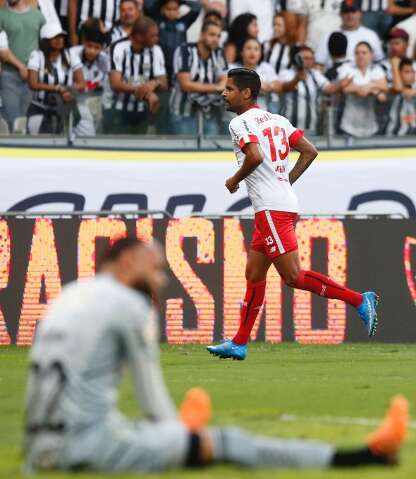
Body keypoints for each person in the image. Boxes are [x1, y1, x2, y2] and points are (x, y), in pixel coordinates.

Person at [23, 235, 410, 473]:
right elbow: (152, 402)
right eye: (154, 270)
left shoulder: (67, 297)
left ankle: (188, 422)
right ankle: (363, 456)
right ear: (127, 263)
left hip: (38, 446)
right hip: (84, 449)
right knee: (228, 443)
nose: (159, 280)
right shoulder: (129, 306)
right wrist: (182, 442)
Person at [207, 68, 379, 361]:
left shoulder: (239, 122)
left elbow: (255, 156)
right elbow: (309, 151)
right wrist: (285, 180)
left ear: (246, 93)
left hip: (272, 210)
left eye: (230, 88)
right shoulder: (278, 120)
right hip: (278, 204)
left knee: (293, 276)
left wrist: (235, 179)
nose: (224, 93)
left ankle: (359, 300)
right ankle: (239, 342)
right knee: (254, 274)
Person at [102, 16, 168, 134]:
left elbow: (164, 84)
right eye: (152, 36)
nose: (157, 39)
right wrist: (146, 92)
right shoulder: (118, 47)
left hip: (142, 111)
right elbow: (115, 84)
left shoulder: (156, 50)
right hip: (116, 110)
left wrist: (154, 83)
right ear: (139, 36)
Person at [27, 23, 86, 135]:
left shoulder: (71, 55)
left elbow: (82, 83)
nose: (59, 40)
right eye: (55, 37)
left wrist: (67, 89)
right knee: (37, 143)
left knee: (65, 138)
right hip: (40, 108)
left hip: (63, 107)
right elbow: (32, 83)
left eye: (61, 36)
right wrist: (56, 88)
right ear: (45, 40)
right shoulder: (37, 55)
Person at [169, 20, 227, 135]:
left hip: (209, 114)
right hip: (183, 113)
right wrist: (216, 88)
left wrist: (219, 85)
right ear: (202, 34)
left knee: (210, 152)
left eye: (218, 36)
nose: (216, 39)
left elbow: (224, 80)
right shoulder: (184, 51)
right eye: (212, 35)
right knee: (185, 152)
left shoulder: (219, 53)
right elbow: (185, 84)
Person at [0, 0, 45, 128]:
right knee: (13, 122)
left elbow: (45, 44)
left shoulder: (38, 16)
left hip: (32, 79)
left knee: (27, 122)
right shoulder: (1, 15)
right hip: (9, 76)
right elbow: (2, 51)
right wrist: (21, 67)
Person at [278, 46, 342, 135]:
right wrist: (296, 79)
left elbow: (329, 89)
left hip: (311, 127)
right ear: (297, 58)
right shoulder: (286, 73)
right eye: (305, 58)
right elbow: (284, 88)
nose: (309, 61)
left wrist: (346, 82)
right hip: (289, 129)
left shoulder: (315, 75)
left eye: (311, 58)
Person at [315, 0, 384, 70]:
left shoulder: (371, 35)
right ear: (340, 14)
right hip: (336, 78)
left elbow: (379, 61)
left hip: (365, 78)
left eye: (353, 12)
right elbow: (319, 63)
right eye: (346, 12)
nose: (350, 15)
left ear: (360, 13)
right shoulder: (329, 35)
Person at [339, 41, 388, 137]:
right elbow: (345, 88)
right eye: (357, 53)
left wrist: (368, 86)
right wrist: (373, 89)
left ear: (371, 55)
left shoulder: (376, 69)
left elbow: (384, 87)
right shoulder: (347, 67)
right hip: (349, 126)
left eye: (364, 53)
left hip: (370, 126)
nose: (360, 56)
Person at [71, 20, 109, 135]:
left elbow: (107, 89)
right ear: (83, 42)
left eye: (97, 47)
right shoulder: (71, 55)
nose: (92, 51)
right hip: (72, 106)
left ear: (102, 48)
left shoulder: (105, 61)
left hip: (95, 106)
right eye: (89, 46)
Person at [151, 0, 201, 81]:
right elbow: (148, 4)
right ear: (162, 9)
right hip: (161, 62)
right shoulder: (157, 20)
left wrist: (182, 1)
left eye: (175, 9)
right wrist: (160, 2)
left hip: (179, 62)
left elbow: (197, 7)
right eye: (168, 9)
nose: (172, 12)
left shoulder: (184, 22)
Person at [230, 38, 281, 111]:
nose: (252, 52)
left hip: (260, 117)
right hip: (234, 117)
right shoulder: (232, 68)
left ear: (260, 53)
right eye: (248, 48)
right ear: (241, 52)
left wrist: (270, 86)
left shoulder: (266, 68)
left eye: (256, 49)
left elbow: (278, 86)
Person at [385, 57, 416, 135]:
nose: (411, 75)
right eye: (407, 72)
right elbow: (398, 89)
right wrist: (395, 66)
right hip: (393, 137)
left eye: (413, 72)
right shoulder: (390, 88)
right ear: (398, 73)